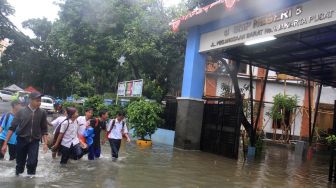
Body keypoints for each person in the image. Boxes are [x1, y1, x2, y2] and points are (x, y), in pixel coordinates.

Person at [1, 92, 48, 175]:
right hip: (21, 140)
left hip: (34, 141)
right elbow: (12, 128)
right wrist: (5, 144)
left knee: (32, 163)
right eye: (37, 100)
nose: (39, 102)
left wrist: (45, 143)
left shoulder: (42, 112)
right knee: (20, 164)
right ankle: (18, 179)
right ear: (30, 100)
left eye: (40, 100)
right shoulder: (21, 112)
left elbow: (44, 129)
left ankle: (30, 181)